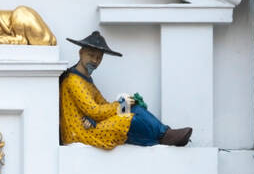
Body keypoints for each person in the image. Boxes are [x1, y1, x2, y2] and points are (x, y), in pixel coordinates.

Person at [60, 29, 192, 148]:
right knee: (127, 119)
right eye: (91, 55)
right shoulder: (73, 81)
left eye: (99, 57)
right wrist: (121, 105)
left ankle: (165, 134)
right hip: (80, 133)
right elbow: (95, 111)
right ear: (81, 53)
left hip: (90, 125)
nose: (95, 61)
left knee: (135, 108)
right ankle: (162, 137)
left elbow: (103, 105)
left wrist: (126, 104)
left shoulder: (87, 81)